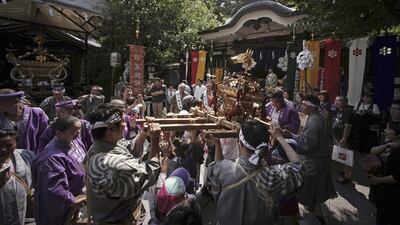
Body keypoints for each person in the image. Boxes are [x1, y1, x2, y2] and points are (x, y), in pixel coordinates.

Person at [207, 119, 305, 225]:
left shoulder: (225, 169)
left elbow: (217, 168)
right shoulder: (271, 177)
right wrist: (280, 138)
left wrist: (217, 145)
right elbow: (299, 167)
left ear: (240, 144)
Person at [85, 104, 162, 224]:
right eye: (122, 122)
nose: (125, 124)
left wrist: (144, 133)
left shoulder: (97, 147)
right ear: (111, 129)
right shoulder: (114, 163)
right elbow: (152, 171)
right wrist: (155, 138)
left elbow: (129, 146)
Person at [282, 95, 336, 224]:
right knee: (315, 190)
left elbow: (305, 145)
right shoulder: (317, 117)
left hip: (313, 161)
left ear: (311, 108)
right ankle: (315, 214)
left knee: (311, 190)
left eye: (305, 105)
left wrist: (289, 138)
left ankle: (314, 218)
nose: (302, 106)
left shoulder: (314, 122)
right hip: (319, 159)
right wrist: (293, 135)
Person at [32, 116, 86, 225]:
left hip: (73, 200)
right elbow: (54, 186)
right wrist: (71, 200)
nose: (78, 133)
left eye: (80, 129)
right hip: (58, 206)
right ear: (59, 133)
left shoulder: (73, 141)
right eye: (74, 131)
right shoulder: (52, 157)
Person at [0, 129, 36, 225]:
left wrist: (34, 192)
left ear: (15, 142)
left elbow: (38, 178)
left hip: (26, 209)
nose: (3, 149)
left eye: (9, 145)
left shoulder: (28, 155)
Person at [368, 121, 400, 225]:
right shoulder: (389, 143)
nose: (385, 131)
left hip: (393, 193)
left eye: (389, 129)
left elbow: (397, 177)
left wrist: (378, 180)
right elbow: (372, 150)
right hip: (383, 190)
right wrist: (385, 147)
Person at [333, 96, 355, 183]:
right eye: (335, 100)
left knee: (349, 157)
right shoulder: (341, 110)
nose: (336, 102)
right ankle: (343, 171)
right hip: (340, 138)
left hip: (347, 139)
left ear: (345, 102)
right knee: (344, 156)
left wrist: (344, 138)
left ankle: (347, 177)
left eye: (338, 101)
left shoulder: (347, 111)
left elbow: (348, 126)